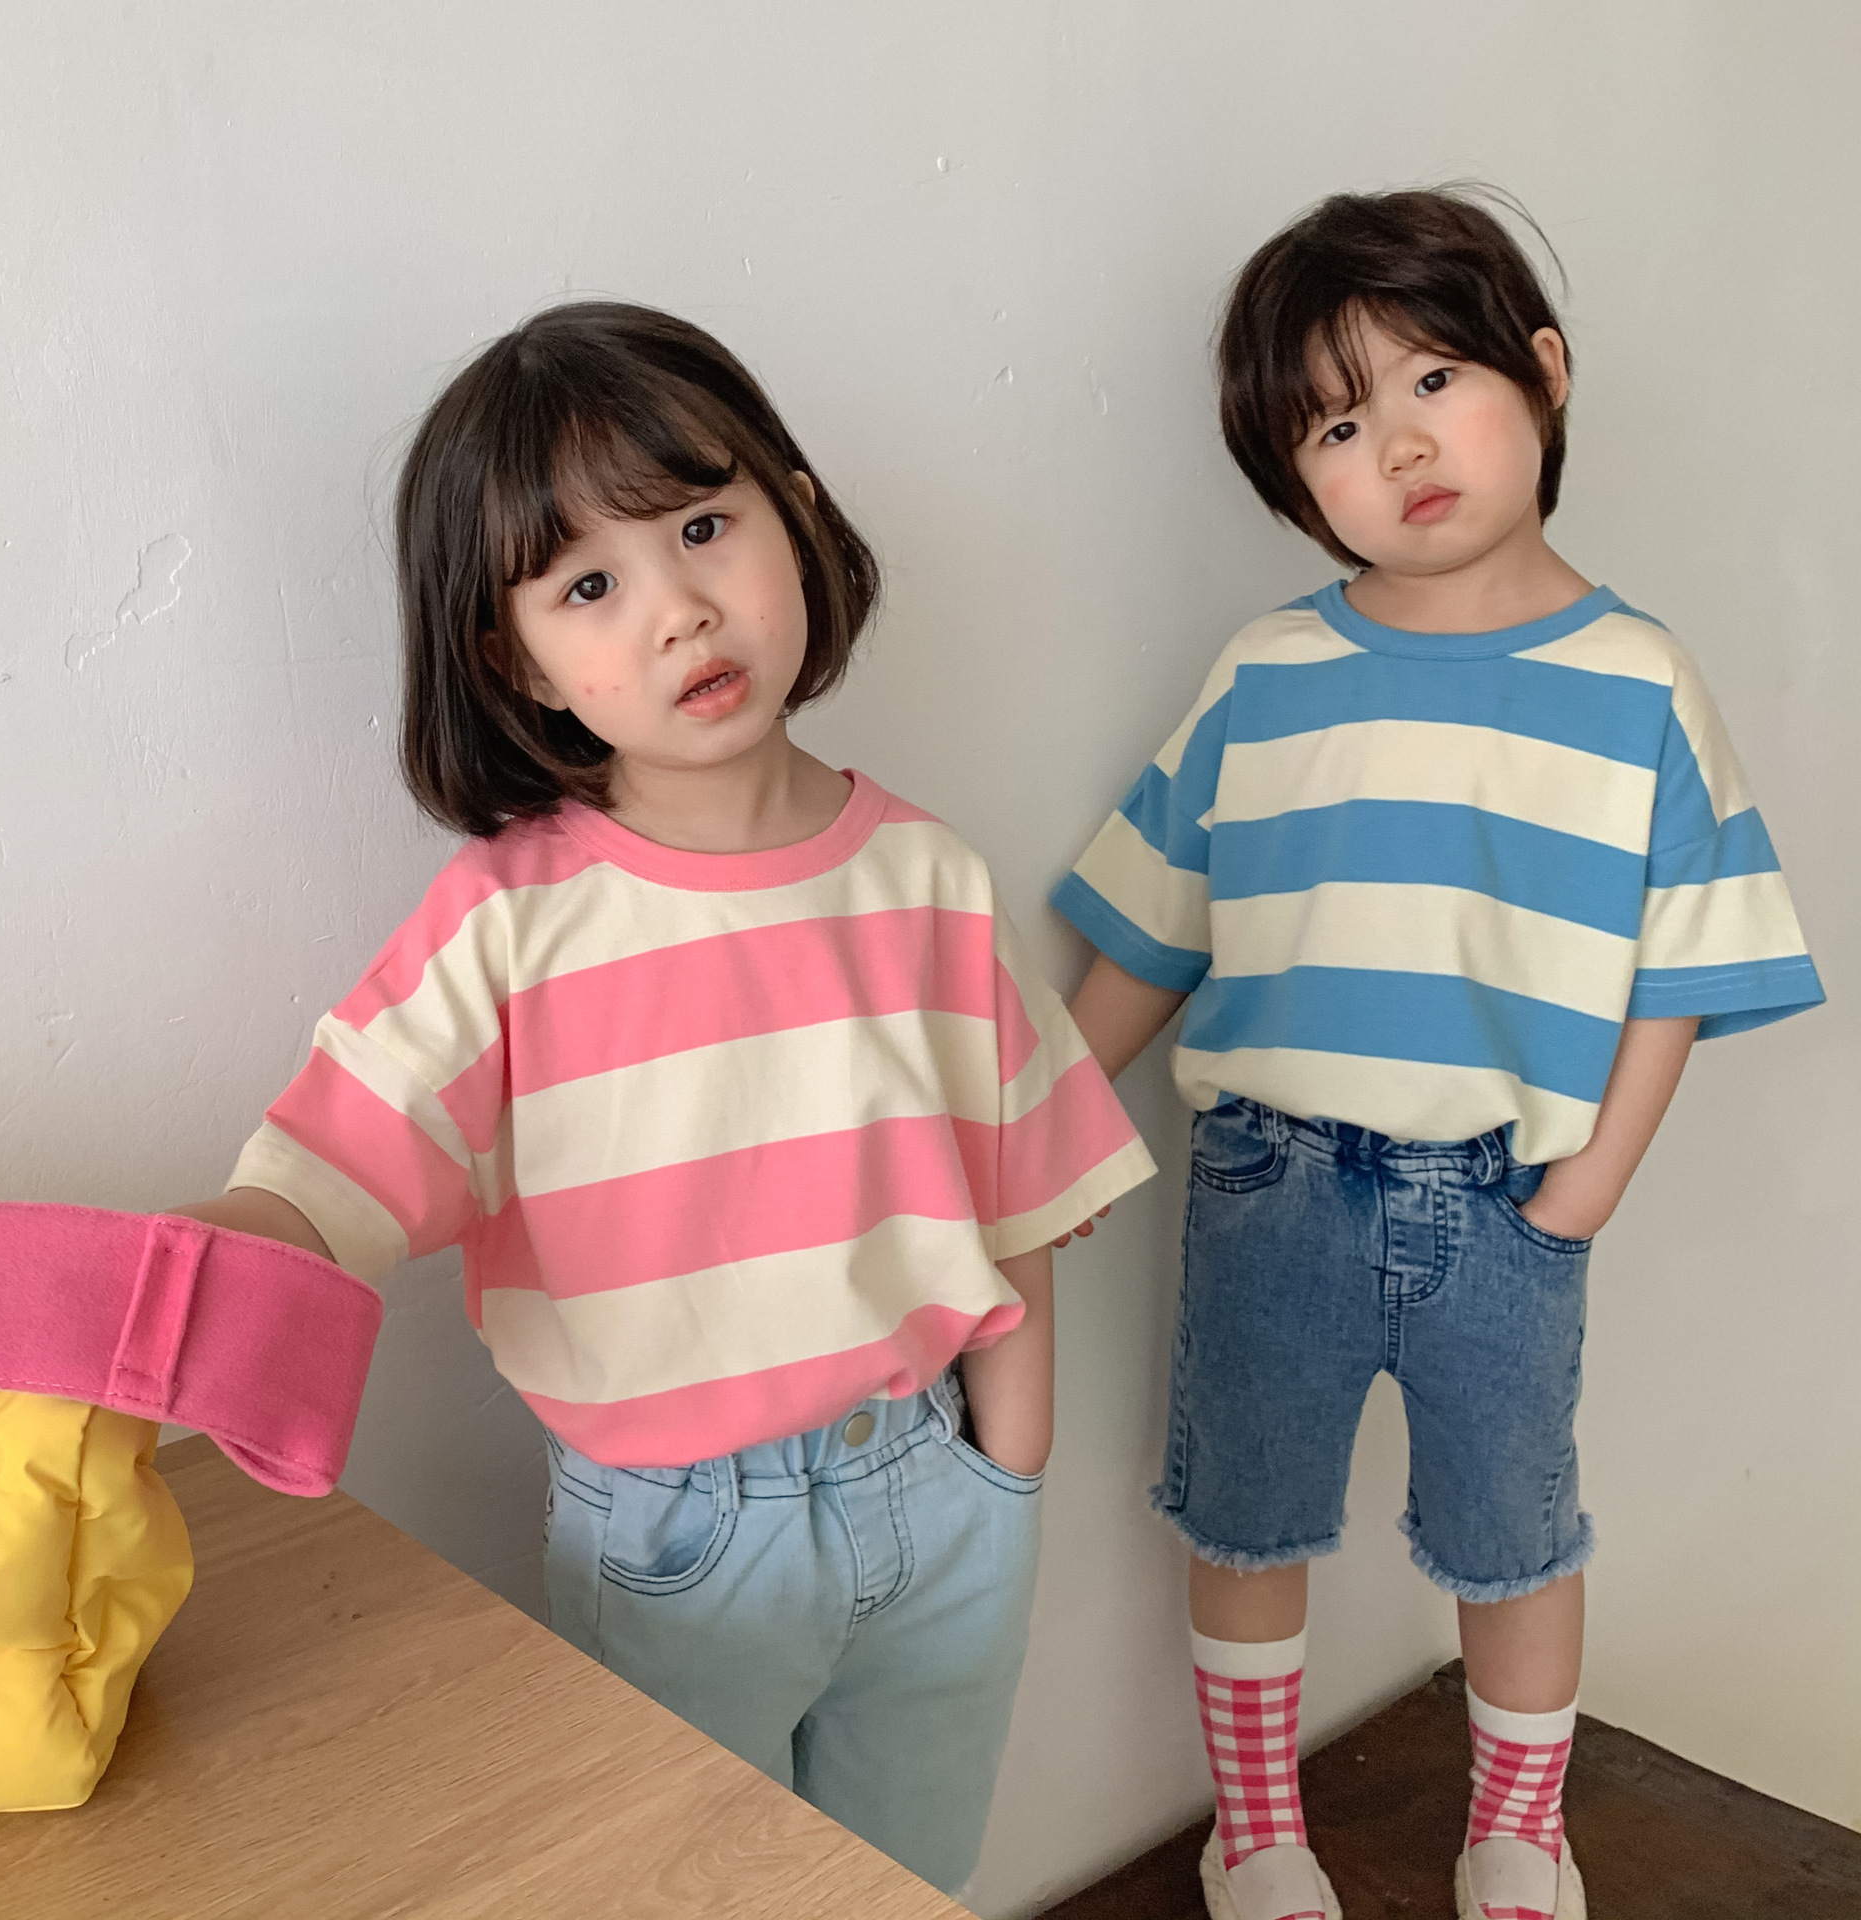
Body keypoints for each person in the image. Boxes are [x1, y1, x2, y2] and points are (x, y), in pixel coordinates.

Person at [166, 301, 1156, 1896]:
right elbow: (323, 1182)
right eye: (590, 585)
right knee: (704, 1893)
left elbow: (1021, 1197)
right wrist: (148, 1289)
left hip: (941, 1494)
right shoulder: (511, 926)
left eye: (703, 527)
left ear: (798, 516)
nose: (681, 609)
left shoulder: (925, 878)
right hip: (679, 1547)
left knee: (912, 1885)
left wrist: (1008, 1473)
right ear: (515, 659)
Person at [1050, 190, 1823, 1920]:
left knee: (1514, 1535)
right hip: (1268, 1185)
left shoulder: (1641, 683)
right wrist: (1042, 1132)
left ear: (1542, 375)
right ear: (1291, 478)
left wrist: (1588, 1187)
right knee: (1245, 1521)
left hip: (1508, 1205)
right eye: (1335, 425)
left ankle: (1520, 1830)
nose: (1397, 445)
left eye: (1433, 381)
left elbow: (1683, 963)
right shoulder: (1265, 673)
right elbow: (1158, 929)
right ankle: (1255, 1831)